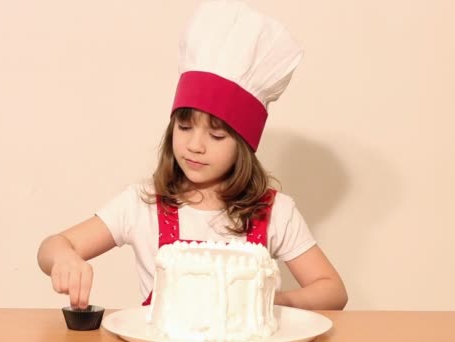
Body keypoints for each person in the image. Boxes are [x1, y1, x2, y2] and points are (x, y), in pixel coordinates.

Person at [37, 0, 347, 311]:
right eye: (184, 127)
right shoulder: (140, 204)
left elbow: (333, 292)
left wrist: (267, 301)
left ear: (244, 143)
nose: (195, 145)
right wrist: (64, 257)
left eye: (215, 135)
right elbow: (52, 247)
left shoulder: (275, 211)